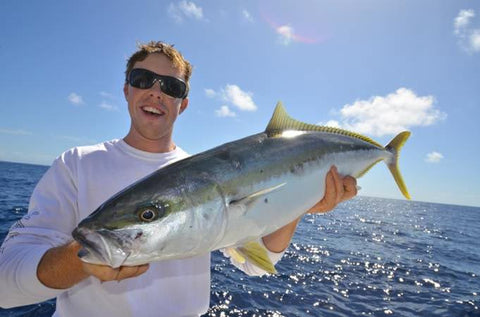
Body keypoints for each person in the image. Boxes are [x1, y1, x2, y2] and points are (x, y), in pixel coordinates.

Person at [0, 41, 357, 316]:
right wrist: (81, 260)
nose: (156, 92)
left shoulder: (205, 171)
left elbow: (254, 261)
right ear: (126, 90)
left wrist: (300, 200)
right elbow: (7, 284)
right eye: (143, 80)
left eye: (171, 87)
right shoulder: (77, 164)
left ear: (183, 103)